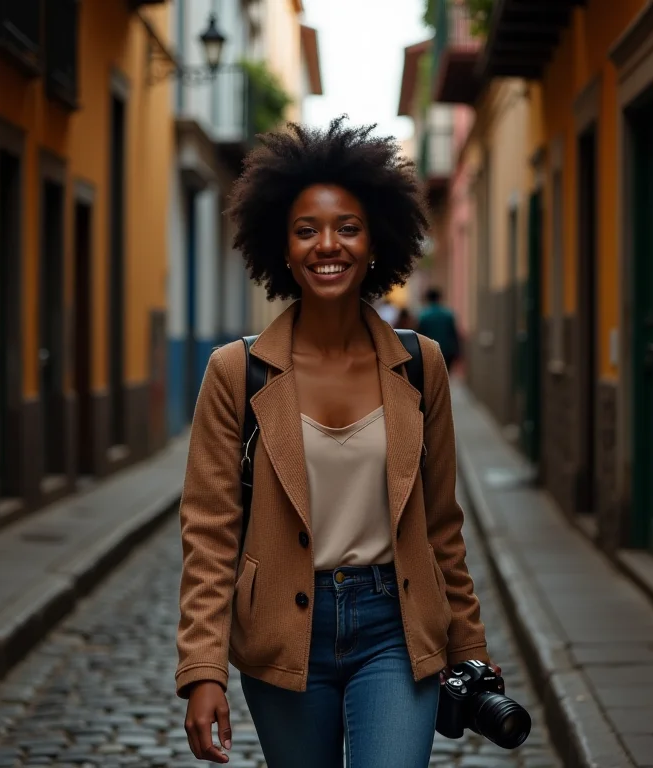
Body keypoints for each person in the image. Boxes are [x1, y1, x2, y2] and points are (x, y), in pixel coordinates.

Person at [176, 118, 496, 768]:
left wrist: (470, 649)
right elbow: (209, 533)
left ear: (375, 239)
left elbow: (441, 524)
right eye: (307, 230)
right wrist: (202, 669)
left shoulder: (419, 364)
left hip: (396, 627)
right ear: (282, 247)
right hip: (283, 634)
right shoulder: (236, 373)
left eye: (347, 227)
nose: (329, 245)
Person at [417, 288, 462, 371]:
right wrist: (458, 352)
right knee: (445, 374)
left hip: (430, 351)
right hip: (447, 351)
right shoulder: (448, 314)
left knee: (432, 376)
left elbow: (419, 335)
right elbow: (454, 334)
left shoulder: (423, 316)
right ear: (439, 298)